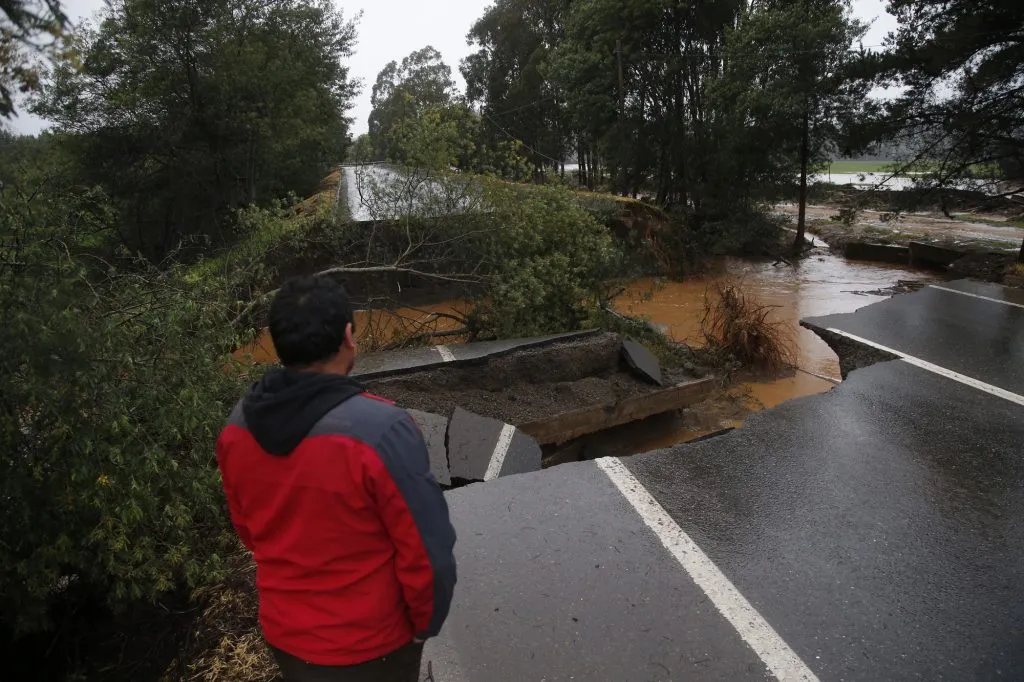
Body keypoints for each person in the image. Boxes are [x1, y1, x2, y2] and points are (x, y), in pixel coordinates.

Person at [217, 275, 457, 682]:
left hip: (287, 637)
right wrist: (425, 626)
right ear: (349, 335)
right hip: (371, 646)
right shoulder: (382, 430)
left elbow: (249, 531)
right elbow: (427, 552)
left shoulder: (236, 428)